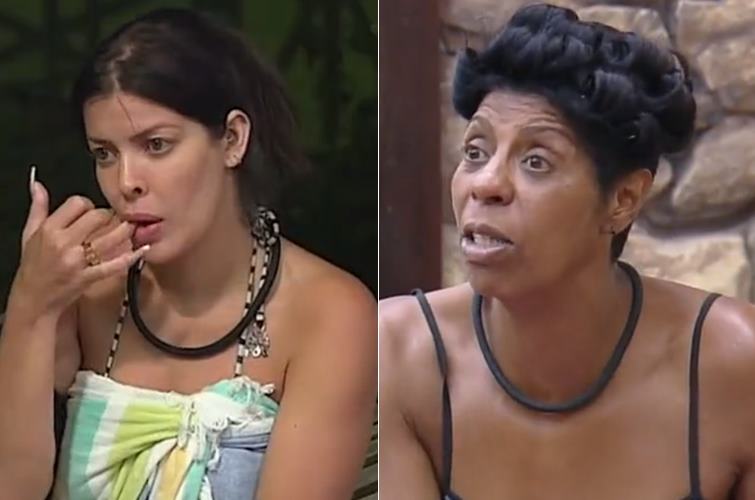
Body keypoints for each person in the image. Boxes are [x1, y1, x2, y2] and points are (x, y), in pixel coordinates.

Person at [380, 4, 755, 499]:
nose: (486, 184)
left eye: (536, 161)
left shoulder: (735, 363)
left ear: (623, 200)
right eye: (475, 152)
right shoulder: (398, 354)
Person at [0, 7, 376, 500]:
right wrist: (31, 305)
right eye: (104, 154)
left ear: (233, 140)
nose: (126, 182)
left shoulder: (329, 313)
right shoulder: (83, 286)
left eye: (156, 145)